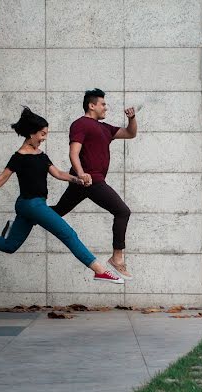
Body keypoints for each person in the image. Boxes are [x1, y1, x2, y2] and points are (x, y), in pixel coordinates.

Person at [0, 107, 124, 284]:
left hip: (29, 206)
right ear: (32, 133)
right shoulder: (19, 157)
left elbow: (59, 174)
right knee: (69, 234)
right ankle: (100, 271)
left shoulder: (41, 155)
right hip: (32, 205)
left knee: (10, 246)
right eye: (42, 134)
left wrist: (78, 179)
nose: (45, 138)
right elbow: (2, 178)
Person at [49, 88, 137, 279]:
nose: (106, 107)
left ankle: (23, 218)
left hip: (88, 181)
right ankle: (117, 259)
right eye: (103, 104)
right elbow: (73, 152)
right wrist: (81, 174)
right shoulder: (81, 124)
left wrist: (132, 119)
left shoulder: (105, 128)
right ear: (91, 105)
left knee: (57, 212)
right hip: (90, 179)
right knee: (122, 211)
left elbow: (131, 134)